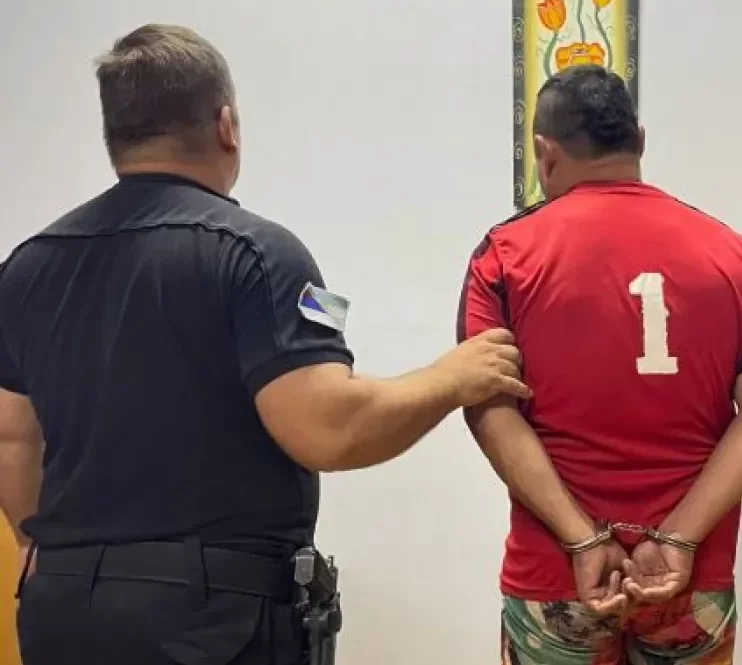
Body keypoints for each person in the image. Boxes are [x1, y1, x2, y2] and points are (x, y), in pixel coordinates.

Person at [0, 24, 530, 665]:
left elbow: (13, 437)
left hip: (61, 611)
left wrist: (41, 545)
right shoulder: (256, 253)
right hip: (205, 623)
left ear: (115, 134)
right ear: (226, 125)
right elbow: (328, 429)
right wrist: (450, 378)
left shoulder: (28, 265)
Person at [458, 64, 742, 665]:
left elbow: (488, 407)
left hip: (556, 577)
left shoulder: (503, 257)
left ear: (544, 152)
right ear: (638, 141)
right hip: (690, 581)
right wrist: (678, 537)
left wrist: (583, 538)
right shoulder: (740, 259)